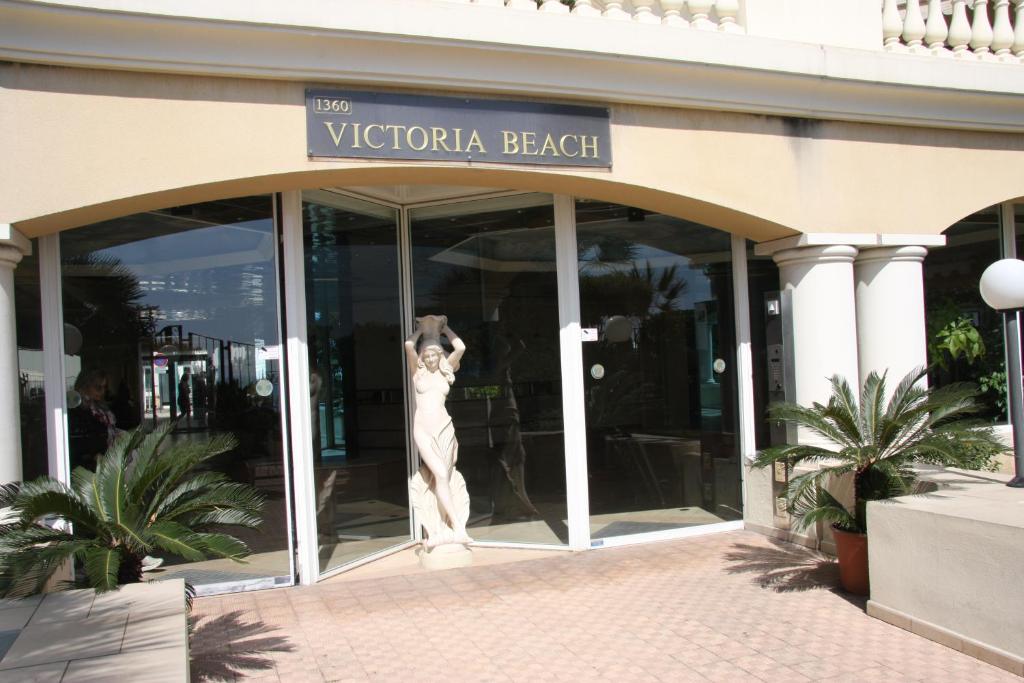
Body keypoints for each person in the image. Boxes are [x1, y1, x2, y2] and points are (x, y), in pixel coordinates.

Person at [69, 368, 163, 571]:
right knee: (101, 517)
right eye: (98, 387)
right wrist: (96, 453)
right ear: (84, 386)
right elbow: (80, 441)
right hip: (92, 470)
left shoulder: (101, 409)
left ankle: (132, 554)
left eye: (104, 388)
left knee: (119, 511)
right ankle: (106, 560)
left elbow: (124, 421)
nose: (101, 392)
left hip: (108, 467)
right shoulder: (78, 410)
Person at [405, 315, 471, 545]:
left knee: (445, 477)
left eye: (436, 354)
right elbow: (408, 345)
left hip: (445, 429)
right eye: (428, 355)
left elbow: (460, 347)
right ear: (422, 357)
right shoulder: (417, 373)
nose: (432, 358)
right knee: (440, 475)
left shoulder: (445, 371)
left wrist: (445, 329)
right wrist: (422, 333)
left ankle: (439, 529)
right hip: (423, 429)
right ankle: (458, 528)